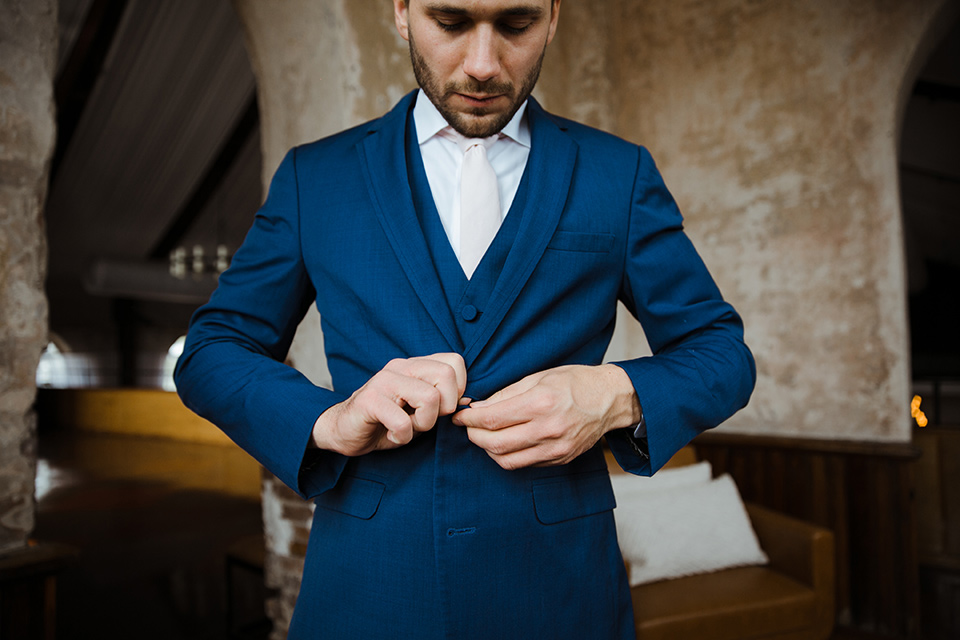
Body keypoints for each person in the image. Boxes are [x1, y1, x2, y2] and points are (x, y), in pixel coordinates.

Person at [175, 0, 755, 637]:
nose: (483, 65)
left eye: (516, 25)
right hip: (368, 591)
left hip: (560, 595)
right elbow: (211, 350)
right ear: (402, 12)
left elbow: (721, 352)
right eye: (450, 24)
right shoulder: (315, 178)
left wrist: (613, 395)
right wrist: (327, 420)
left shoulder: (617, 175)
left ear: (554, 16)